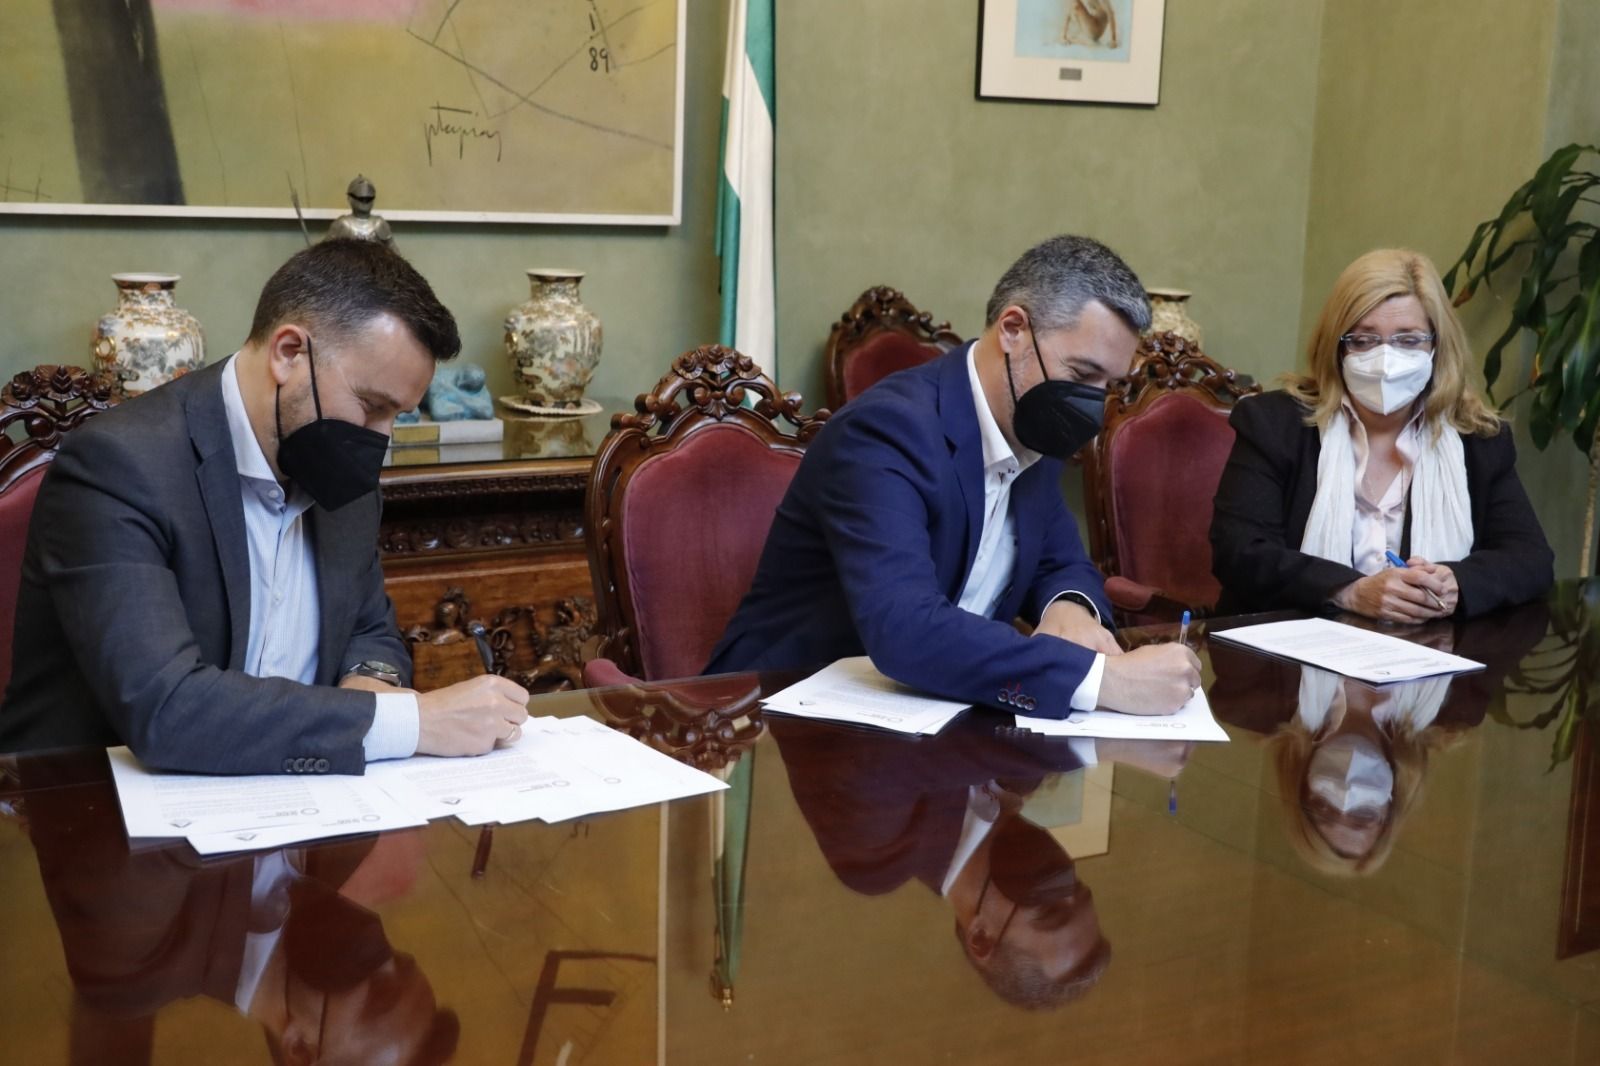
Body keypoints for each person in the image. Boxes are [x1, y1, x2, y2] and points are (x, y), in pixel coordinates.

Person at [0, 240, 529, 773]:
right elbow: (166, 710)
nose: (381, 438)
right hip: (85, 815)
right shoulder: (121, 466)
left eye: (399, 415)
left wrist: (370, 686)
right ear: (288, 353)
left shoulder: (342, 474)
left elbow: (371, 634)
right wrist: (412, 721)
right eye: (372, 406)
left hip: (289, 804)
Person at [707, 235, 1200, 718]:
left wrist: (1068, 607)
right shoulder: (886, 430)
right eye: (1080, 375)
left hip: (931, 718)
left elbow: (1063, 562)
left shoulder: (1036, 426)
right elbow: (906, 630)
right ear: (1013, 330)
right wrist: (1103, 680)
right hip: (775, 720)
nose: (1092, 405)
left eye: (1107, 386)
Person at [1210, 248, 1554, 621]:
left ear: (1437, 346)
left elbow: (1531, 559)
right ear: (1336, 347)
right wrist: (1349, 591)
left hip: (1425, 659)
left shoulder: (1478, 438)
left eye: (1408, 340)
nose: (1386, 359)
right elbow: (1239, 551)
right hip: (1284, 660)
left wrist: (1457, 582)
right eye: (1363, 340)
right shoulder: (1273, 423)